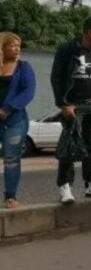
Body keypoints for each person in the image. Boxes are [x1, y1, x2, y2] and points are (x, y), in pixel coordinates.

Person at [51, 17, 91, 204]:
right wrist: (63, 104)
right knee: (70, 147)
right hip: (74, 106)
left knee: (90, 146)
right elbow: (57, 78)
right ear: (89, 32)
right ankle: (65, 187)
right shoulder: (68, 49)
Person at [0, 32, 36, 209]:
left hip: (15, 120)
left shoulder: (24, 67)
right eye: (12, 45)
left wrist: (7, 109)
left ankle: (10, 196)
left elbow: (28, 92)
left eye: (18, 46)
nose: (17, 49)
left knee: (11, 158)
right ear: (2, 47)